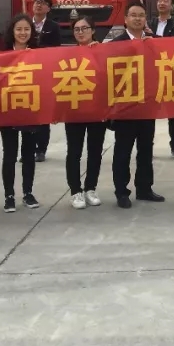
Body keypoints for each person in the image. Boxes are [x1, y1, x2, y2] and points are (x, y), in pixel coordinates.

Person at [109, 2, 166, 209]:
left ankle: (144, 188)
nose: (137, 19)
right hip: (125, 107)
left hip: (147, 105)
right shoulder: (115, 44)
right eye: (133, 15)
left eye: (141, 15)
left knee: (146, 149)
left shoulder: (154, 41)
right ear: (125, 19)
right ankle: (121, 191)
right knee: (122, 151)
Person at [0, 15, 41, 213]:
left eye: (26, 29)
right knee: (9, 154)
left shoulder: (39, 54)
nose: (23, 33)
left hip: (31, 108)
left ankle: (28, 193)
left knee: (28, 154)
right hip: (8, 109)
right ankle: (9, 195)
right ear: (12, 32)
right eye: (19, 29)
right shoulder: (2, 54)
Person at [66, 15, 107, 209]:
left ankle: (91, 188)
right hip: (74, 109)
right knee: (74, 151)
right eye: (77, 29)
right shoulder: (67, 54)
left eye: (84, 28)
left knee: (95, 150)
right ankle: (75, 191)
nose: (81, 32)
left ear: (93, 30)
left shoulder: (104, 52)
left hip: (97, 108)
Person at [148, 0, 174, 160]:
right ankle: (147, 144)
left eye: (166, 1)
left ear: (172, 5)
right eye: (160, 0)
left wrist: (153, 37)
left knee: (173, 113)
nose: (162, 3)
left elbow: (171, 45)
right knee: (149, 112)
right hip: (151, 73)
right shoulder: (149, 23)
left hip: (170, 72)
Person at [30, 0, 61, 162]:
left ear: (48, 8)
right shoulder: (24, 24)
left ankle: (41, 149)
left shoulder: (53, 26)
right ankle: (28, 148)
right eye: (36, 2)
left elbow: (56, 50)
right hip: (27, 72)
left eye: (42, 3)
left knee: (42, 113)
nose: (38, 5)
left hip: (45, 73)